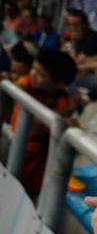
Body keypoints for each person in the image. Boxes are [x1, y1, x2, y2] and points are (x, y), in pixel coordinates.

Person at [10, 48, 76, 197]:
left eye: (41, 74)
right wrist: (64, 113)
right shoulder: (24, 84)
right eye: (33, 68)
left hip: (35, 166)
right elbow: (33, 128)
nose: (32, 74)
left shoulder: (61, 101)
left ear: (58, 84)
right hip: (13, 151)